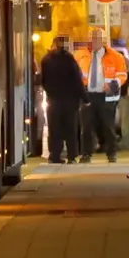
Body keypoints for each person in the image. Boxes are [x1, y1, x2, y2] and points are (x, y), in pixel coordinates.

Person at [74, 29, 128, 163]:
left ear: (103, 41)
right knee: (86, 126)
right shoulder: (80, 55)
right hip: (87, 95)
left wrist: (113, 85)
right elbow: (75, 74)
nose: (94, 41)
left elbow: (122, 75)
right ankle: (86, 154)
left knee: (108, 126)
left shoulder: (116, 56)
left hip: (106, 96)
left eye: (98, 39)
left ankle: (111, 153)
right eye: (92, 38)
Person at [40, 35, 86, 163]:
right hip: (70, 101)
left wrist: (50, 93)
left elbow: (43, 80)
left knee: (54, 129)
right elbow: (77, 80)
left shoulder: (46, 60)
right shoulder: (69, 59)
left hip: (53, 101)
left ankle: (55, 155)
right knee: (70, 129)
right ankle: (72, 155)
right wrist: (85, 98)